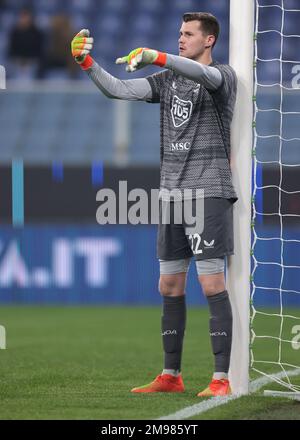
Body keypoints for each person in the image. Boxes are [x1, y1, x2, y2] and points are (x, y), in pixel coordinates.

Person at [71, 12, 237, 397]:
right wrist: (86, 63)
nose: (181, 39)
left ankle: (221, 379)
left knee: (211, 282)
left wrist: (158, 56)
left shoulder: (222, 78)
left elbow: (206, 77)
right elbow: (119, 90)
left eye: (189, 34)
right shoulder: (169, 81)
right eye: (179, 33)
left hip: (207, 189)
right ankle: (170, 375)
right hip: (170, 194)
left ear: (209, 40)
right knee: (168, 284)